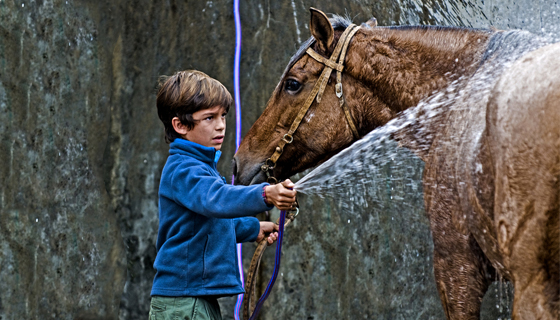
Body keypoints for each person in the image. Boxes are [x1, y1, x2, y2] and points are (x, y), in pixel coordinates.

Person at [149, 70, 297, 320]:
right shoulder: (184, 169)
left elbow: (205, 225)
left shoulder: (201, 166)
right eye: (209, 118)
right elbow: (216, 200)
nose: (220, 125)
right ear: (180, 125)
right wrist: (266, 194)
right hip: (182, 302)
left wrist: (252, 228)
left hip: (195, 298)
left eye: (223, 116)